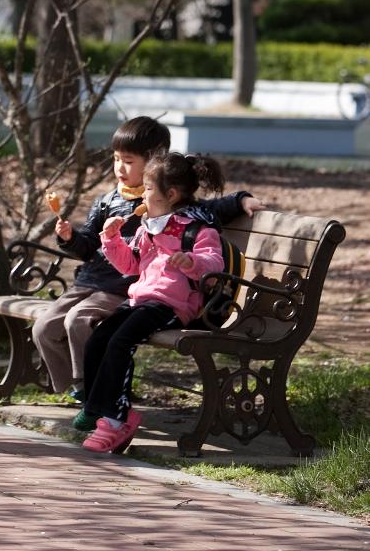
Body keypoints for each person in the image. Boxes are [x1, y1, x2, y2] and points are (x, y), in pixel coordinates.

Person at [33, 117, 260, 432]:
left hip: (135, 293)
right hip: (102, 283)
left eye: (128, 161)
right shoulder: (113, 203)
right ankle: (84, 391)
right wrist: (76, 237)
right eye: (116, 160)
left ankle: (95, 397)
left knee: (89, 327)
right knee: (46, 326)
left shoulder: (174, 209)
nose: (120, 168)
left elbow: (211, 218)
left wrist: (241, 199)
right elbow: (100, 249)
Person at [79, 151, 230, 454]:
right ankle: (97, 408)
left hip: (172, 305)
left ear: (170, 194)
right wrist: (112, 239)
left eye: (148, 188)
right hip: (140, 300)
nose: (142, 194)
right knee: (100, 337)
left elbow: (214, 266)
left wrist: (190, 261)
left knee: (121, 342)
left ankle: (116, 418)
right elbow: (130, 266)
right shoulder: (150, 227)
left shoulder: (197, 229)